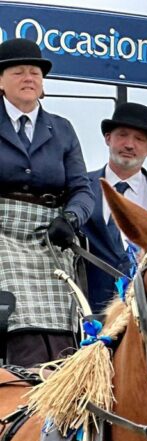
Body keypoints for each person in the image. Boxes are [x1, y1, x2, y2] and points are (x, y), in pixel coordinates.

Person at [0, 38, 92, 366]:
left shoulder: (63, 129)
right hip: (2, 232)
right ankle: (21, 382)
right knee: (16, 309)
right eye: (18, 71)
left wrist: (71, 219)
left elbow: (83, 189)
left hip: (50, 233)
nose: (29, 77)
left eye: (35, 72)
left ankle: (63, 380)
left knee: (64, 306)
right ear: (0, 81)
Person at [81, 102, 147, 312]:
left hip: (145, 315)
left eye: (139, 139)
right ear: (108, 138)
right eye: (122, 135)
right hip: (84, 315)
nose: (129, 145)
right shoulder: (78, 187)